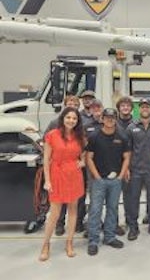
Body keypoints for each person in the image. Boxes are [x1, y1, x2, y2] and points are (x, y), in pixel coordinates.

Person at [38, 107, 85, 261]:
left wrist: (82, 161)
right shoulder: (52, 135)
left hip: (74, 175)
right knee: (55, 213)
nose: (71, 120)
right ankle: (46, 244)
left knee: (73, 210)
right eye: (68, 117)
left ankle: (69, 242)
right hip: (57, 174)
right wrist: (47, 180)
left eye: (74, 118)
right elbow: (46, 160)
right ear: (62, 118)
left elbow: (85, 152)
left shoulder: (79, 136)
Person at [86, 108, 130, 256]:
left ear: (115, 119)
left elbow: (127, 158)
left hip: (115, 181)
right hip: (99, 181)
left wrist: (121, 176)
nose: (110, 120)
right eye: (107, 117)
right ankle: (93, 240)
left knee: (113, 209)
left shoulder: (122, 137)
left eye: (112, 117)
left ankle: (110, 237)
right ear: (102, 119)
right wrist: (97, 176)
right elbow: (89, 158)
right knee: (95, 210)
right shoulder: (94, 136)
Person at [125, 98, 150, 240]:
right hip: (135, 169)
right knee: (133, 199)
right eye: (142, 107)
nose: (145, 109)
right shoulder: (131, 127)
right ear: (139, 109)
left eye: (147, 107)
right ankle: (133, 227)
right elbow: (128, 150)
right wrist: (127, 169)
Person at [115, 96, 134, 236]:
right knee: (113, 197)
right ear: (119, 108)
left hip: (131, 166)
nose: (125, 108)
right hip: (114, 165)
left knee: (129, 196)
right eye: (123, 106)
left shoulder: (136, 124)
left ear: (131, 108)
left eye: (128, 106)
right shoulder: (112, 123)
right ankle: (113, 224)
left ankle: (130, 221)